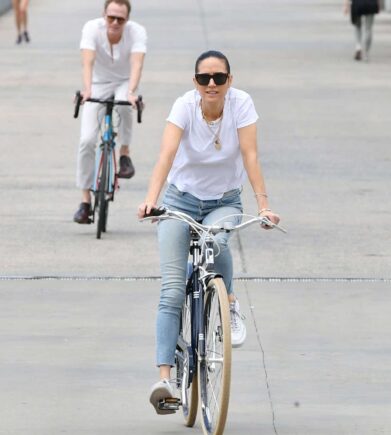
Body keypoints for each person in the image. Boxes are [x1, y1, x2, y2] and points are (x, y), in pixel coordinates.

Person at [137, 50, 281, 414]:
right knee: (171, 290)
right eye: (205, 79)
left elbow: (251, 156)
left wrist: (263, 205)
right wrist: (151, 201)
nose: (212, 84)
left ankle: (228, 305)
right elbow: (166, 156)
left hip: (224, 201)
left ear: (230, 80)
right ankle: (166, 380)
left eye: (219, 78)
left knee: (218, 240)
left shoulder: (241, 104)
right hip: (180, 201)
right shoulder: (184, 106)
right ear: (195, 83)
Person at [73, 0, 147, 224]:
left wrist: (132, 92)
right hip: (98, 83)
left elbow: (136, 64)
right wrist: (87, 90)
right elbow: (87, 61)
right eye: (111, 17)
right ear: (103, 14)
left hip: (125, 82)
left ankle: (124, 154)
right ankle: (85, 202)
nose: (115, 22)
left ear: (128, 19)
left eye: (120, 19)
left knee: (126, 105)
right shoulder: (91, 28)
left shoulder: (137, 32)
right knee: (86, 141)